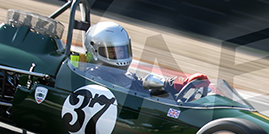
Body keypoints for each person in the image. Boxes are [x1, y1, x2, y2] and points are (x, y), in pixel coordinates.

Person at [80, 21, 208, 98]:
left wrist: (180, 83)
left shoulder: (125, 78)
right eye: (112, 52)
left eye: (121, 51)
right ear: (95, 51)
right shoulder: (89, 77)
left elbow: (143, 84)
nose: (119, 57)